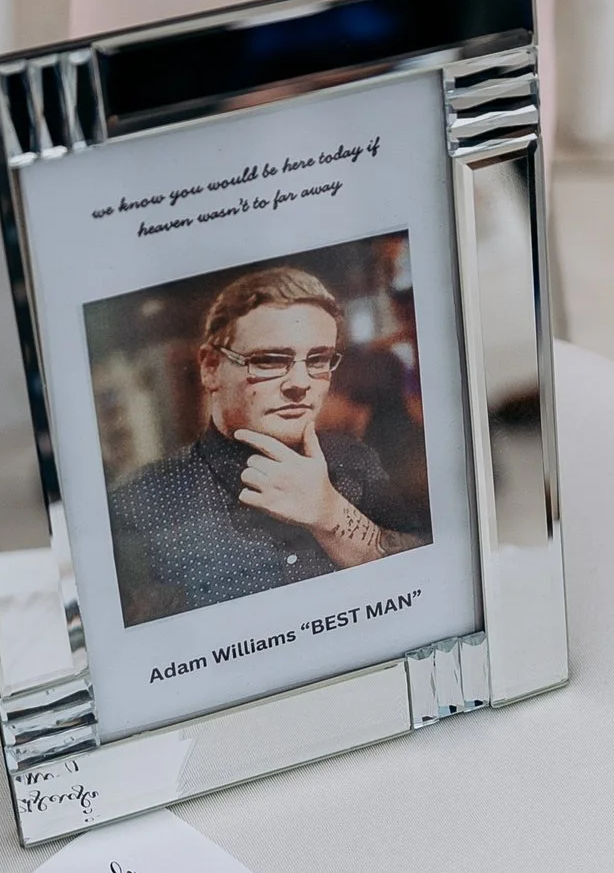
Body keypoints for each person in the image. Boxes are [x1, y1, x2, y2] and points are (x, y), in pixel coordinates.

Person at [106, 264, 423, 627]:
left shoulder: (356, 462)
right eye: (271, 360)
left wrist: (331, 515)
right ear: (211, 368)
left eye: (318, 360)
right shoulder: (138, 504)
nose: (300, 383)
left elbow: (424, 586)